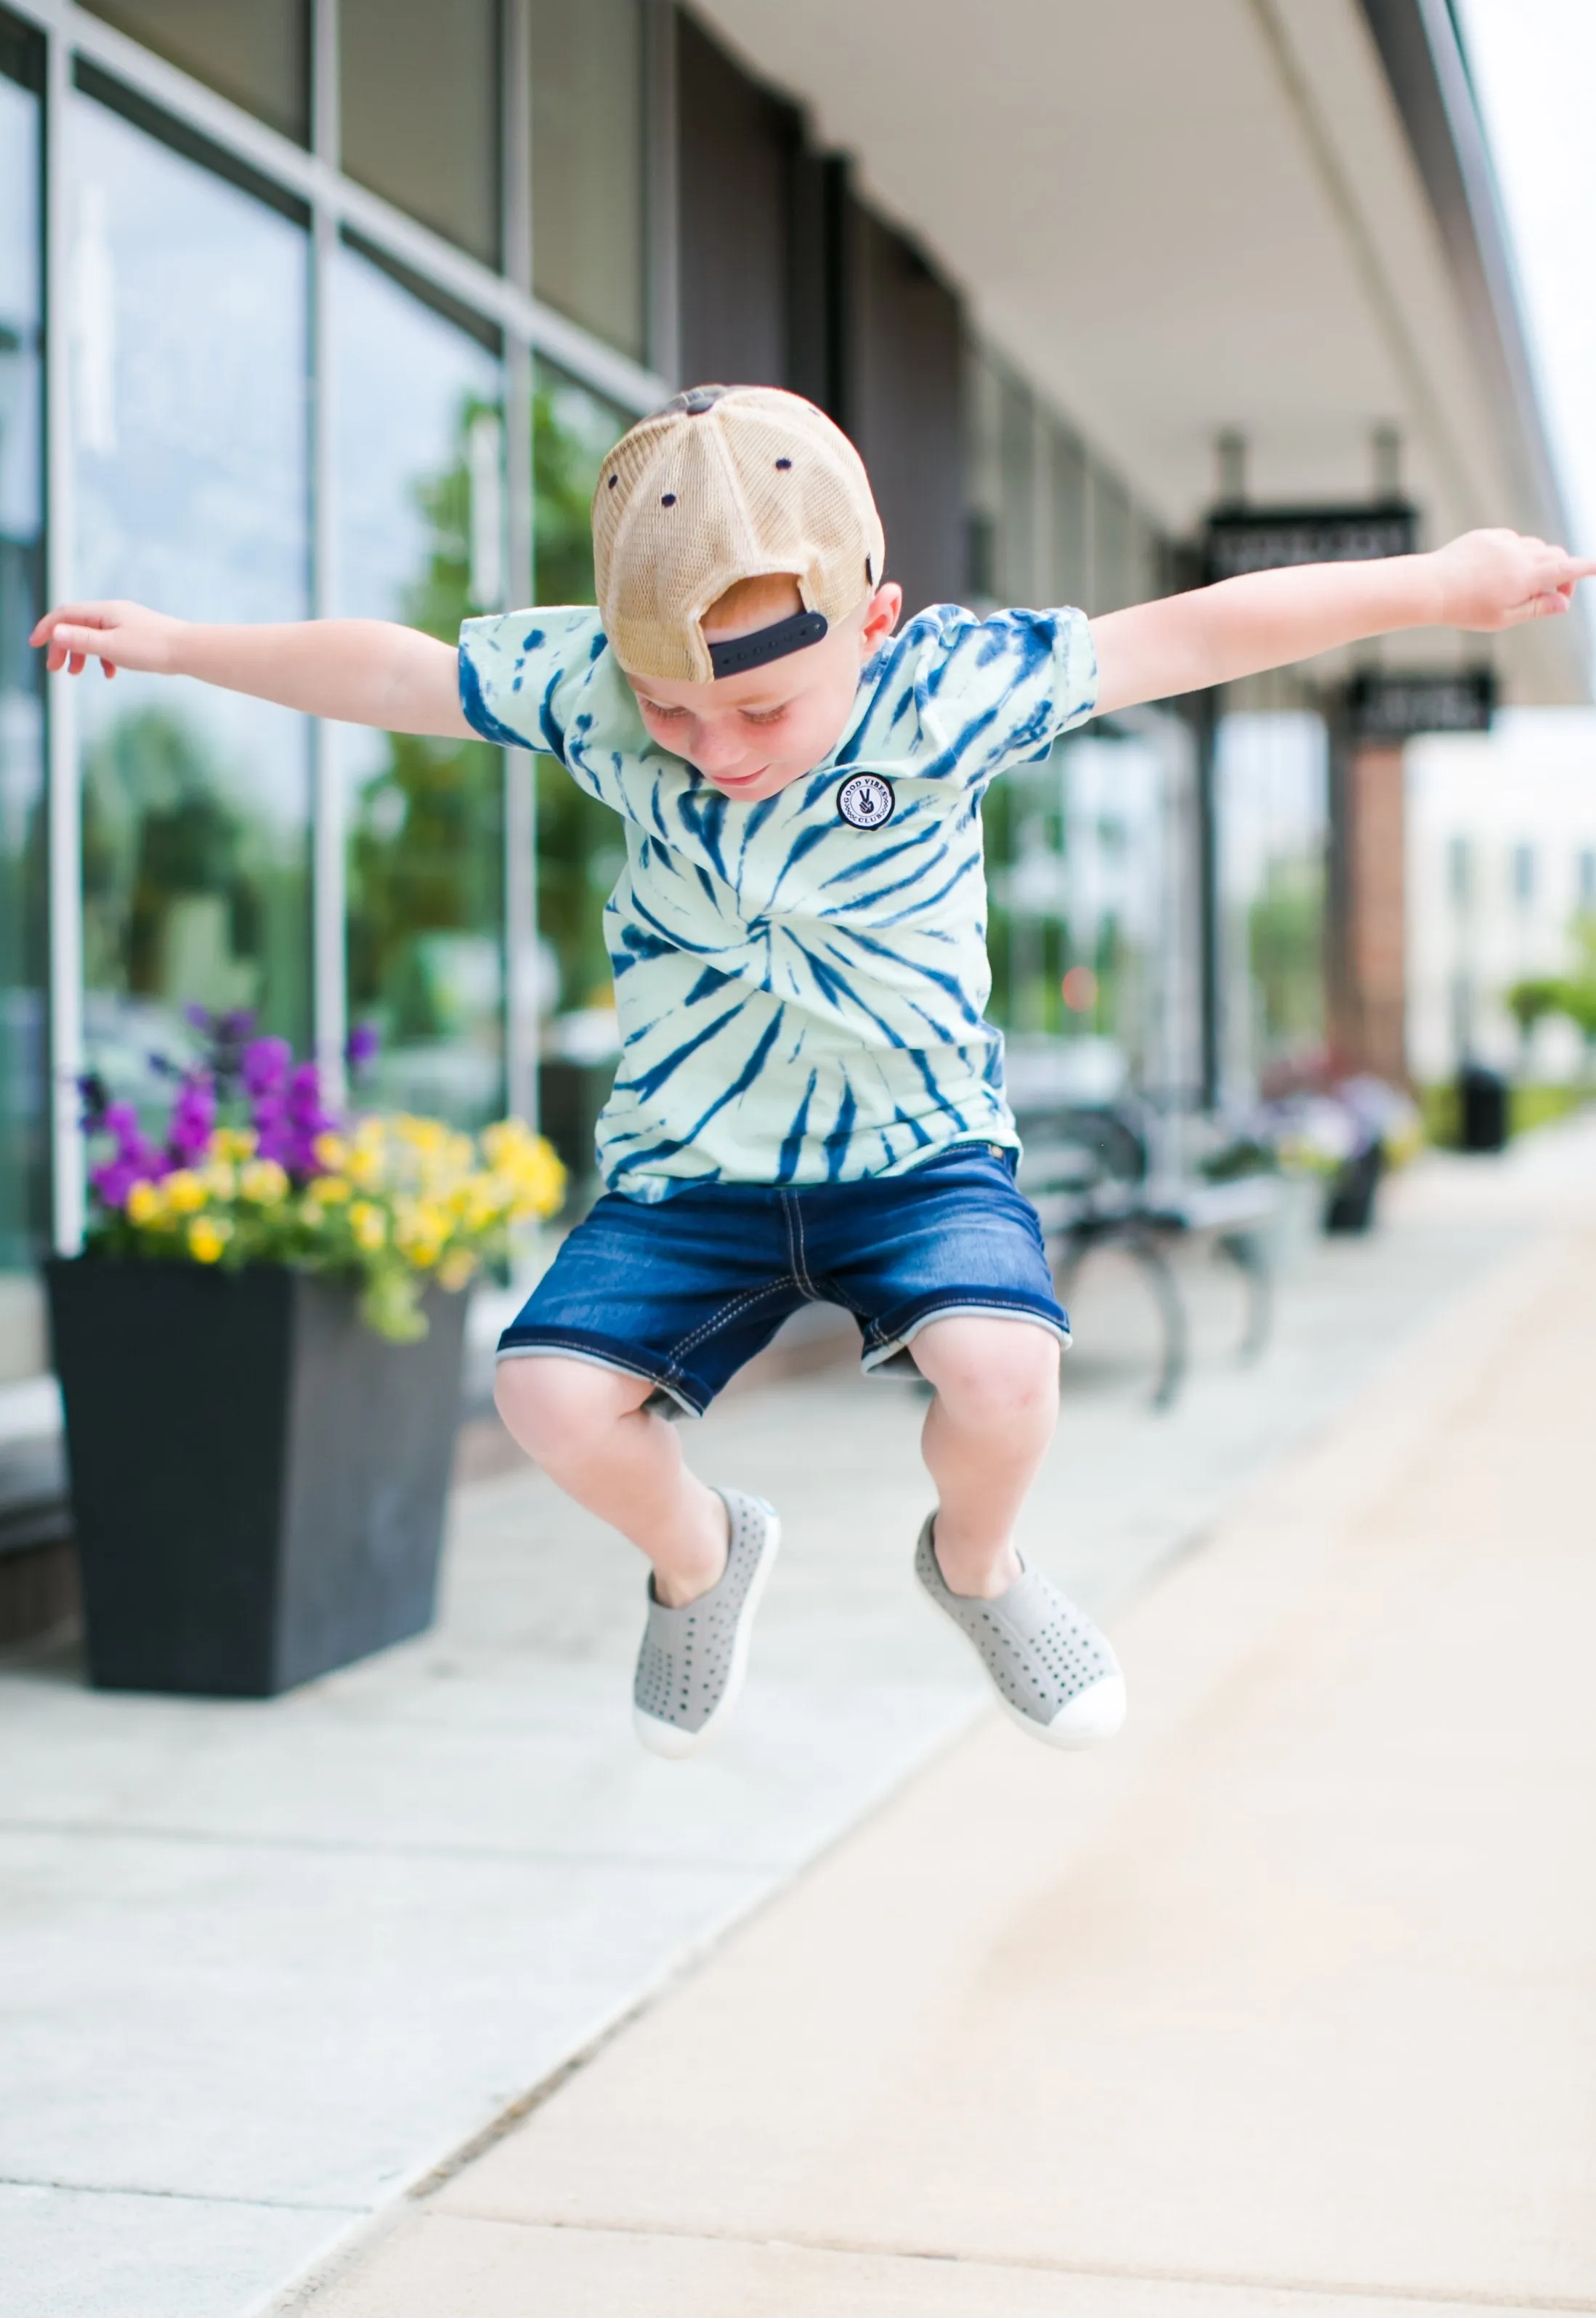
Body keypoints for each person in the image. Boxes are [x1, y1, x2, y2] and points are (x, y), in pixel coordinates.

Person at [34, 384, 1591, 1760]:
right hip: (691, 1169)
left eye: (763, 706)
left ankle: (976, 1571)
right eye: (673, 710)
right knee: (546, 1395)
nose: (713, 748)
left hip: (916, 1152)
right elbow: (395, 675)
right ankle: (701, 1556)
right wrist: (179, 646)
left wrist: (1441, 586)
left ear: (873, 619)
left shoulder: (951, 688)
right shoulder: (591, 689)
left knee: (1005, 1378)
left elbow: (1195, 634)